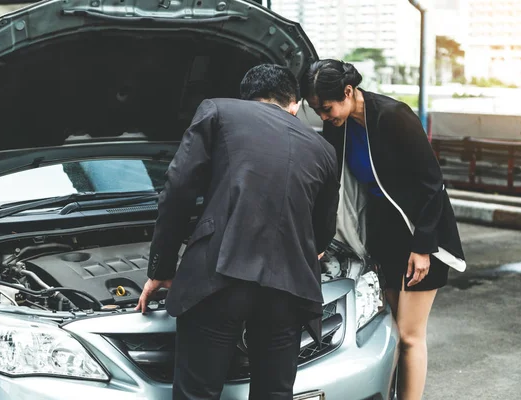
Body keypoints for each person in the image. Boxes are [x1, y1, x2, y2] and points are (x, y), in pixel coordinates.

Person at [135, 64, 340, 400]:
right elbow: (322, 233)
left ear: (246, 97)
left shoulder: (218, 110)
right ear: (295, 104)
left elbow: (178, 190)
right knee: (274, 394)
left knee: (197, 394)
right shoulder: (322, 149)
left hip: (219, 276)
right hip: (289, 290)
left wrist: (161, 268)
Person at [301, 59, 466, 400]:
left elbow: (432, 185)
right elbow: (331, 185)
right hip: (384, 232)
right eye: (317, 111)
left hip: (422, 231)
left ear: (348, 92)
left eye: (327, 108)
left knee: (409, 334)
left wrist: (423, 249)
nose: (323, 117)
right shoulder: (339, 126)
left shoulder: (393, 116)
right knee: (390, 328)